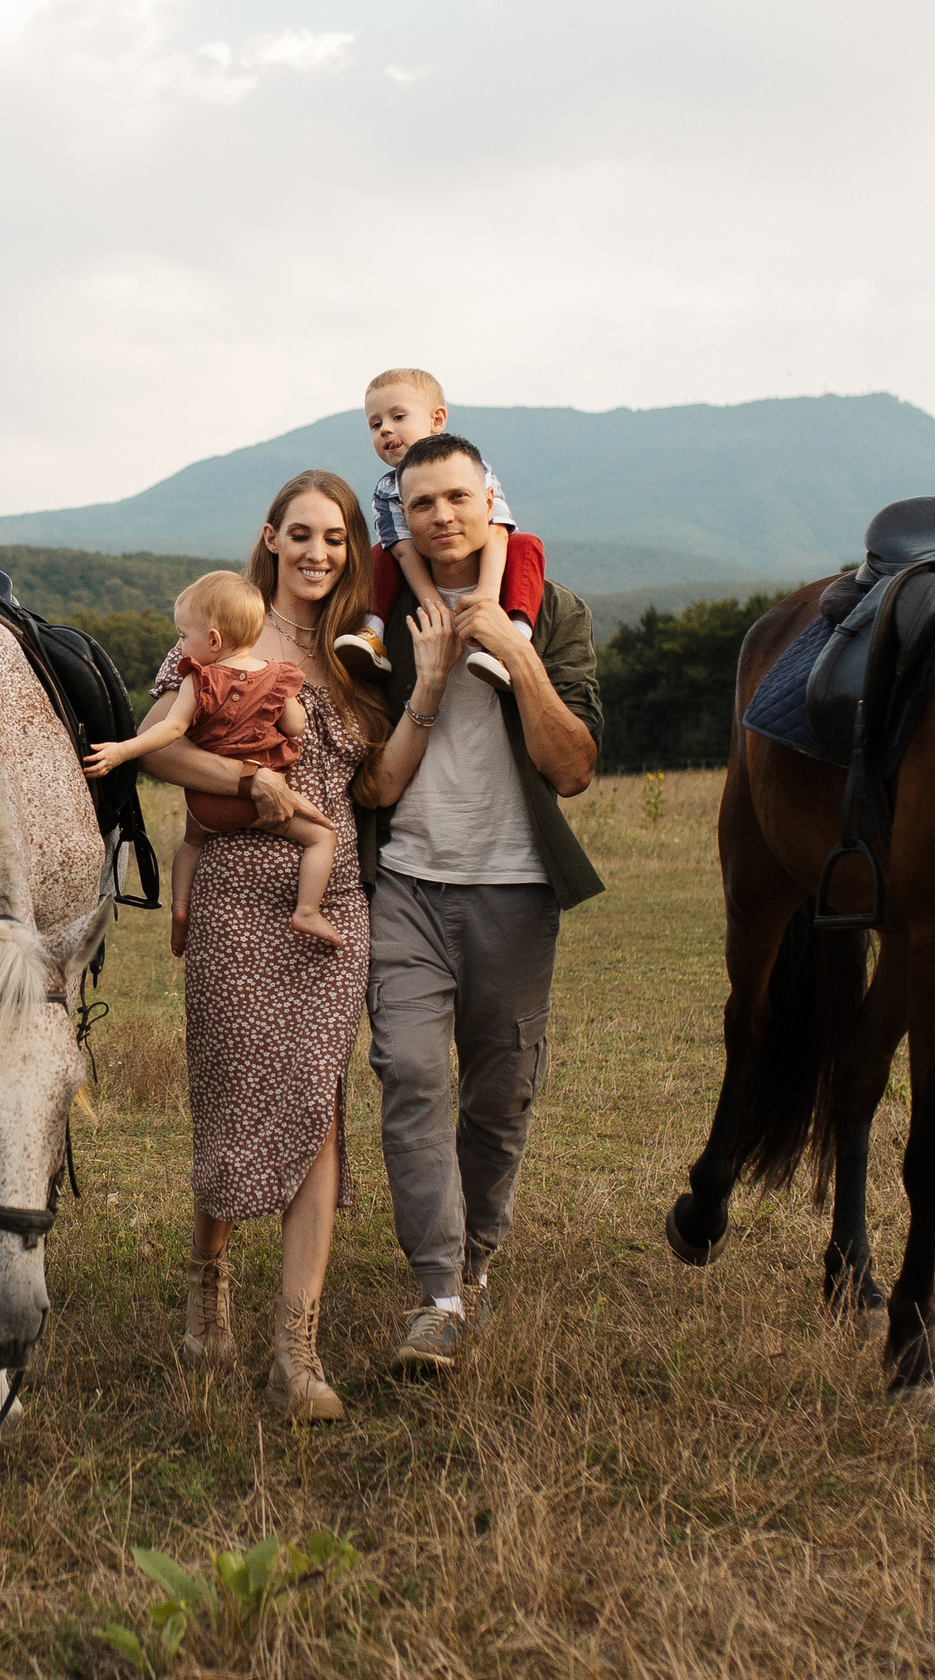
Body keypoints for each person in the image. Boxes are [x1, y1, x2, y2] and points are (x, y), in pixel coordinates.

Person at [133, 470, 390, 1421]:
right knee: (234, 1092)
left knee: (317, 1105)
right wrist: (248, 784)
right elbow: (157, 746)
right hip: (236, 894)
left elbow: (375, 783)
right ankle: (209, 1280)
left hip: (331, 903)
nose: (319, 552)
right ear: (271, 537)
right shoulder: (221, 632)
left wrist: (433, 691)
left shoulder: (362, 652)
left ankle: (295, 1353)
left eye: (337, 537)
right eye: (303, 534)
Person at [357, 432, 604, 1375]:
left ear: (489, 501)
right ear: (403, 516)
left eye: (458, 497)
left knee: (500, 1096)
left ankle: (476, 1259)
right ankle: (440, 1298)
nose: (442, 516)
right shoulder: (377, 621)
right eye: (422, 503)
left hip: (516, 887)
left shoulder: (556, 610)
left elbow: (573, 767)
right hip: (406, 884)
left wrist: (514, 653)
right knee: (411, 1074)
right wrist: (425, 682)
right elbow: (369, 785)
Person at [82, 571, 342, 947]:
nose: (179, 645)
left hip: (205, 804)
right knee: (321, 837)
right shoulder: (276, 676)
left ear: (214, 640)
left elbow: (171, 729)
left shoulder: (198, 680)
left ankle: (180, 908)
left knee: (190, 845)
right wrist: (284, 703)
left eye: (183, 636)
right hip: (253, 804)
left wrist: (123, 750)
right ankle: (307, 910)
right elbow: (296, 726)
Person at [334, 367, 548, 694]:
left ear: (436, 419)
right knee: (379, 552)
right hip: (423, 568)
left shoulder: (470, 467)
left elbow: (498, 529)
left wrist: (487, 596)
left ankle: (513, 641)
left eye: (398, 417)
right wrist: (433, 603)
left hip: (483, 564)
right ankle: (373, 631)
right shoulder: (387, 489)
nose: (385, 429)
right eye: (375, 424)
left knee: (525, 544)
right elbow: (403, 549)